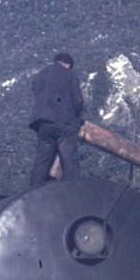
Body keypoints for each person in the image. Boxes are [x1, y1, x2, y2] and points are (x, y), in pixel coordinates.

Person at [28, 52, 84, 186]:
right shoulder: (70, 75)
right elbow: (77, 101)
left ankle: (33, 192)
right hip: (64, 123)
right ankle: (73, 193)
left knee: (42, 161)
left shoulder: (40, 75)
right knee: (69, 161)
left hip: (43, 124)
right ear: (69, 65)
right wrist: (77, 120)